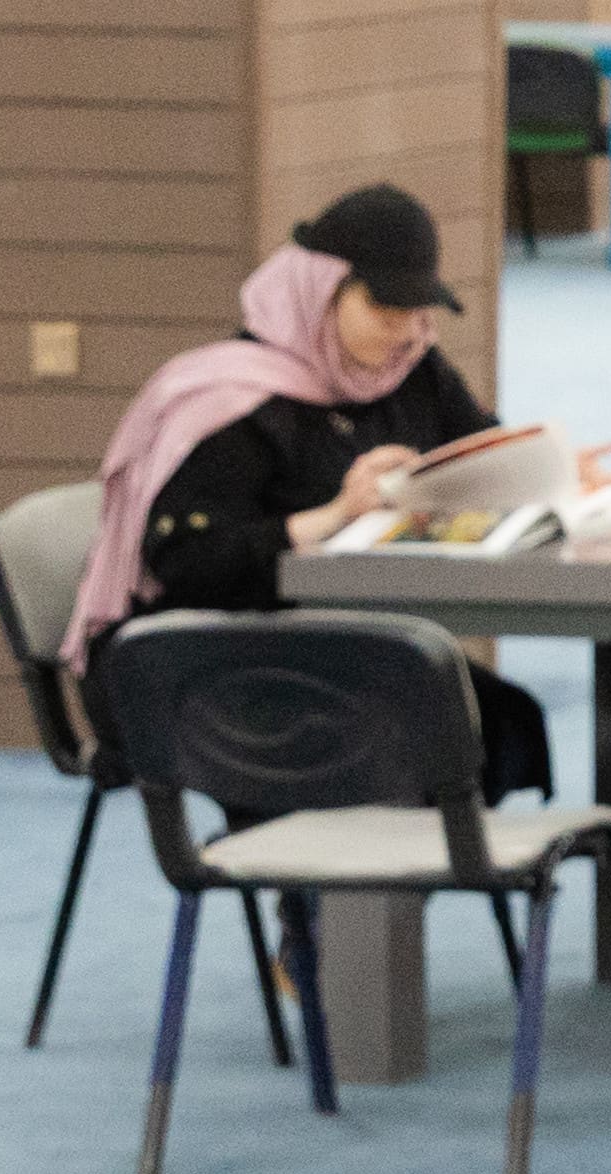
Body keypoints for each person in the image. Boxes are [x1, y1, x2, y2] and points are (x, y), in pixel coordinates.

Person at [63, 185, 563, 796]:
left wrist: (545, 471)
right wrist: (331, 517)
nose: (407, 332)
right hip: (209, 667)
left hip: (334, 648)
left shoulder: (409, 372)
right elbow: (188, 565)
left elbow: (480, 451)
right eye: (385, 311)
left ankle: (373, 879)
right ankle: (340, 881)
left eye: (416, 312)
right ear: (323, 295)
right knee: (415, 731)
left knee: (492, 719)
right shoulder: (229, 404)